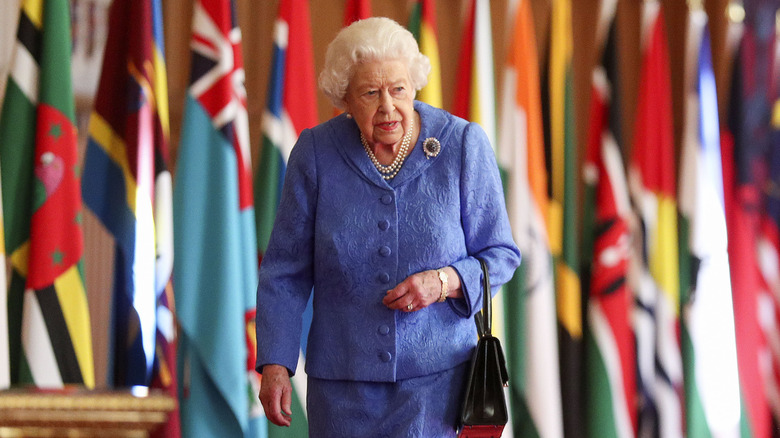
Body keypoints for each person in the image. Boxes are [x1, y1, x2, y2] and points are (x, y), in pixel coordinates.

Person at [255, 16, 521, 437]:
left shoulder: (462, 145)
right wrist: (275, 363)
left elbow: (501, 255)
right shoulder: (316, 153)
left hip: (439, 386)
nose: (387, 106)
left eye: (398, 89)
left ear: (413, 84)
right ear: (344, 97)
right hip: (341, 391)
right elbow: (285, 271)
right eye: (369, 92)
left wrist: (444, 281)